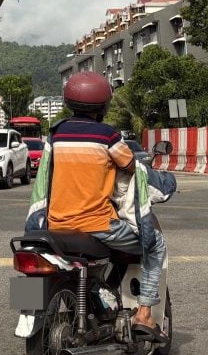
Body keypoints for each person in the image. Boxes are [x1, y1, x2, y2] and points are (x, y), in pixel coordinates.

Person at [47, 72, 166, 341]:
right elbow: (131, 167)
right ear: (103, 106)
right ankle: (145, 314)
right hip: (96, 224)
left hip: (55, 225)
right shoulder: (107, 136)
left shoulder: (55, 134)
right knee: (155, 244)